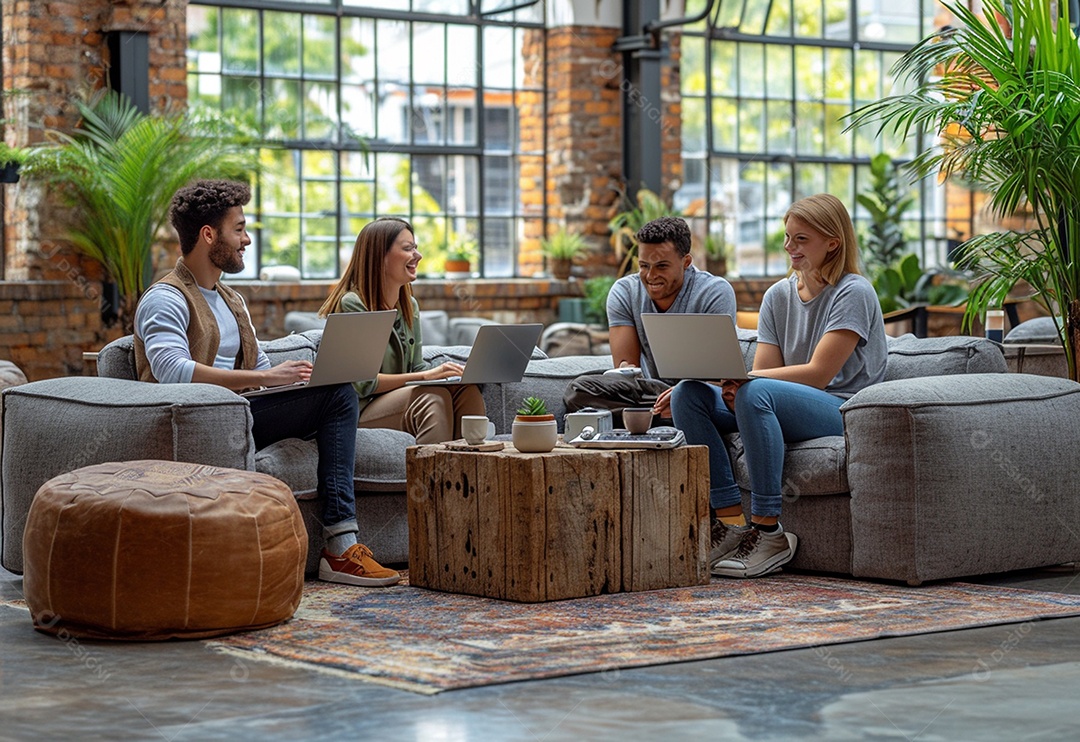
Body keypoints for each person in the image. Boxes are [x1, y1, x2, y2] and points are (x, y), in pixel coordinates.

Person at [134, 179, 400, 588]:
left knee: (335, 392)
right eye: (238, 229)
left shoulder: (231, 300)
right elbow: (172, 369)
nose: (247, 240)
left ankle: (340, 547)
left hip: (244, 412)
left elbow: (258, 365)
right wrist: (264, 376)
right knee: (339, 397)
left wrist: (294, 382)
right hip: (200, 418)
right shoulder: (165, 298)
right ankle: (341, 549)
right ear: (209, 235)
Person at [670, 193, 887, 578]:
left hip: (840, 408)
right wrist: (732, 385)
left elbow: (819, 374)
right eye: (788, 238)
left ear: (832, 242)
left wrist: (746, 381)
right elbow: (767, 369)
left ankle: (769, 531)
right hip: (781, 403)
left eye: (801, 239)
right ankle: (730, 522)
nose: (790, 247)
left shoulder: (853, 292)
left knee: (754, 391)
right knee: (689, 393)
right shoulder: (778, 295)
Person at [318, 217, 485, 443]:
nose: (418, 255)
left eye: (415, 247)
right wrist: (426, 377)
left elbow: (416, 366)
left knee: (466, 390)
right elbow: (363, 383)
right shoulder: (353, 304)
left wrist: (451, 376)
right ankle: (431, 476)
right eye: (408, 248)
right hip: (358, 408)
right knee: (430, 397)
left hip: (397, 399)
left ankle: (465, 473)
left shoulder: (409, 305)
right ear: (380, 257)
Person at [563, 215, 737, 425]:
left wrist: (681, 394)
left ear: (686, 262)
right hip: (650, 392)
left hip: (700, 391)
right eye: (644, 265)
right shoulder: (625, 292)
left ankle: (649, 417)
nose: (650, 276)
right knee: (578, 391)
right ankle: (660, 416)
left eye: (661, 266)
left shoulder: (714, 292)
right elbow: (630, 374)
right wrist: (624, 370)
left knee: (689, 395)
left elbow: (716, 376)